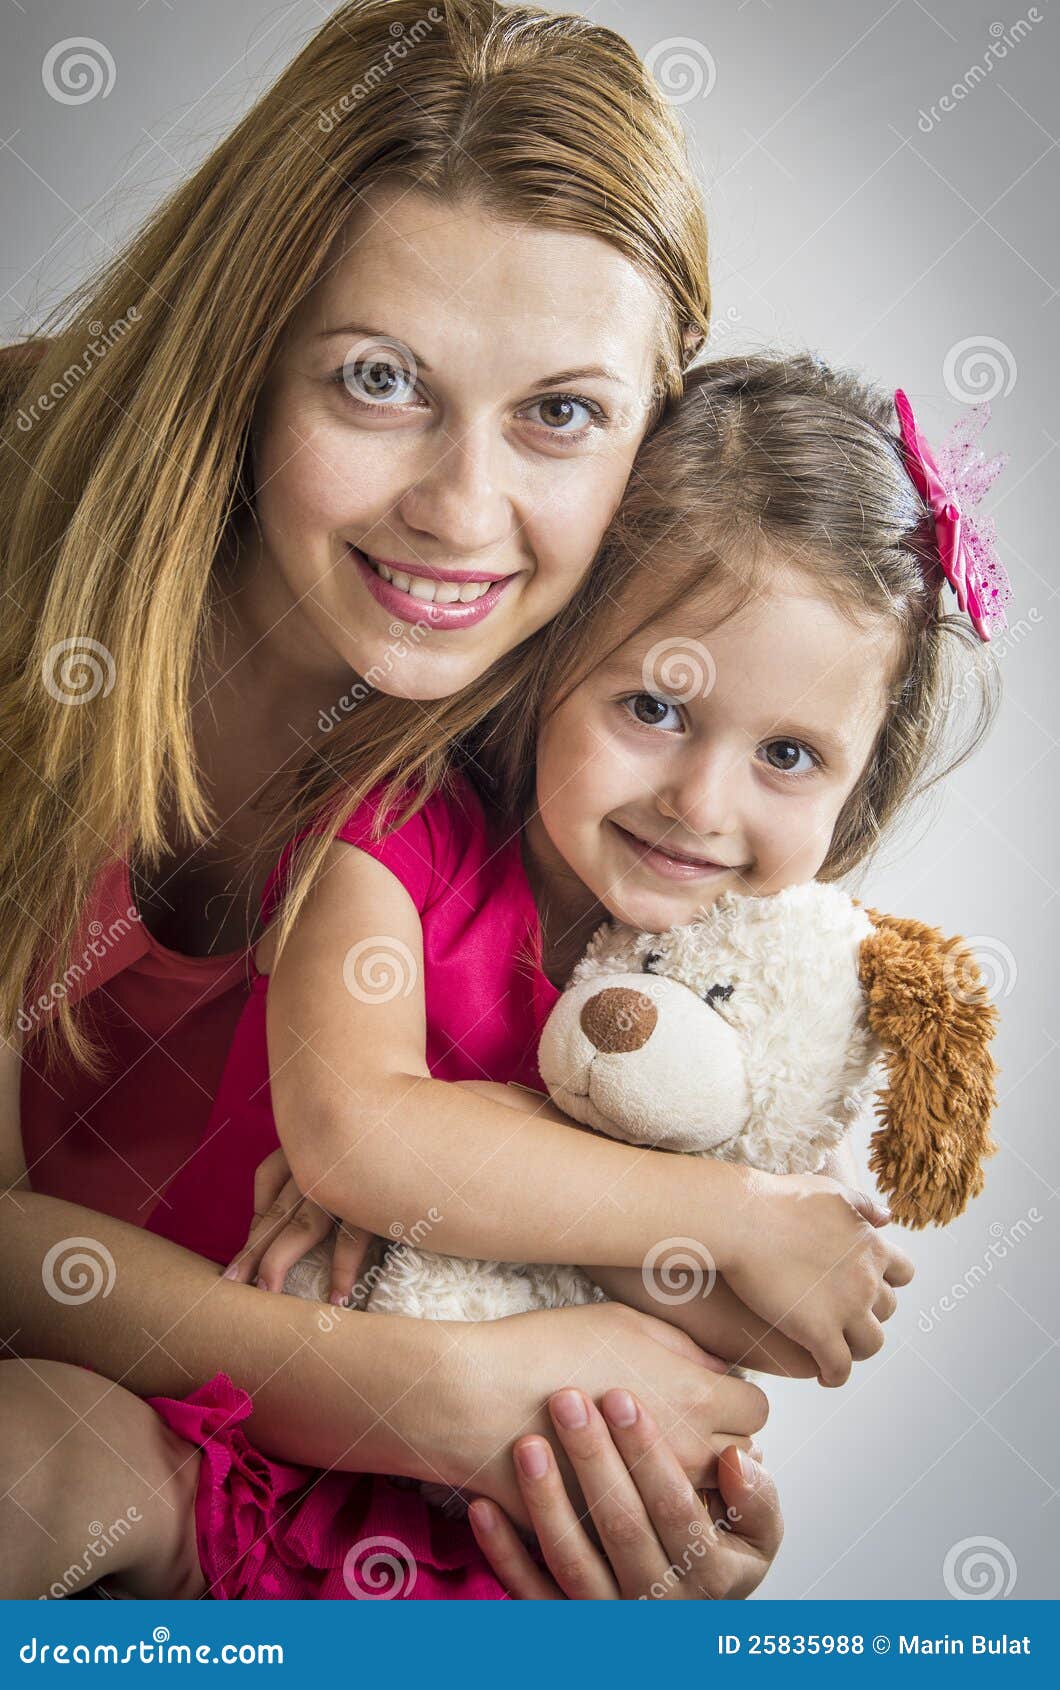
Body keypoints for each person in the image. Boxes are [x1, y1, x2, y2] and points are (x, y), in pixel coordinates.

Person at [0, 0, 783, 1601]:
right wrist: (429, 1399)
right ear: (248, 354)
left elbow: (679, 1308)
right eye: (378, 382)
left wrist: (633, 1492)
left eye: (561, 413)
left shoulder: (615, 748)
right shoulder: (29, 538)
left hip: (248, 1514)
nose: (460, 511)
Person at [116, 349, 1004, 1597]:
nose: (700, 802)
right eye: (652, 708)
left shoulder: (753, 991)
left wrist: (714, 1263)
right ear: (550, 663)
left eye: (791, 753)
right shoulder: (396, 837)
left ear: (864, 776)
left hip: (483, 1540)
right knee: (40, 1456)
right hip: (207, 1437)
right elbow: (357, 1136)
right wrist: (733, 1213)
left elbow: (769, 1328)